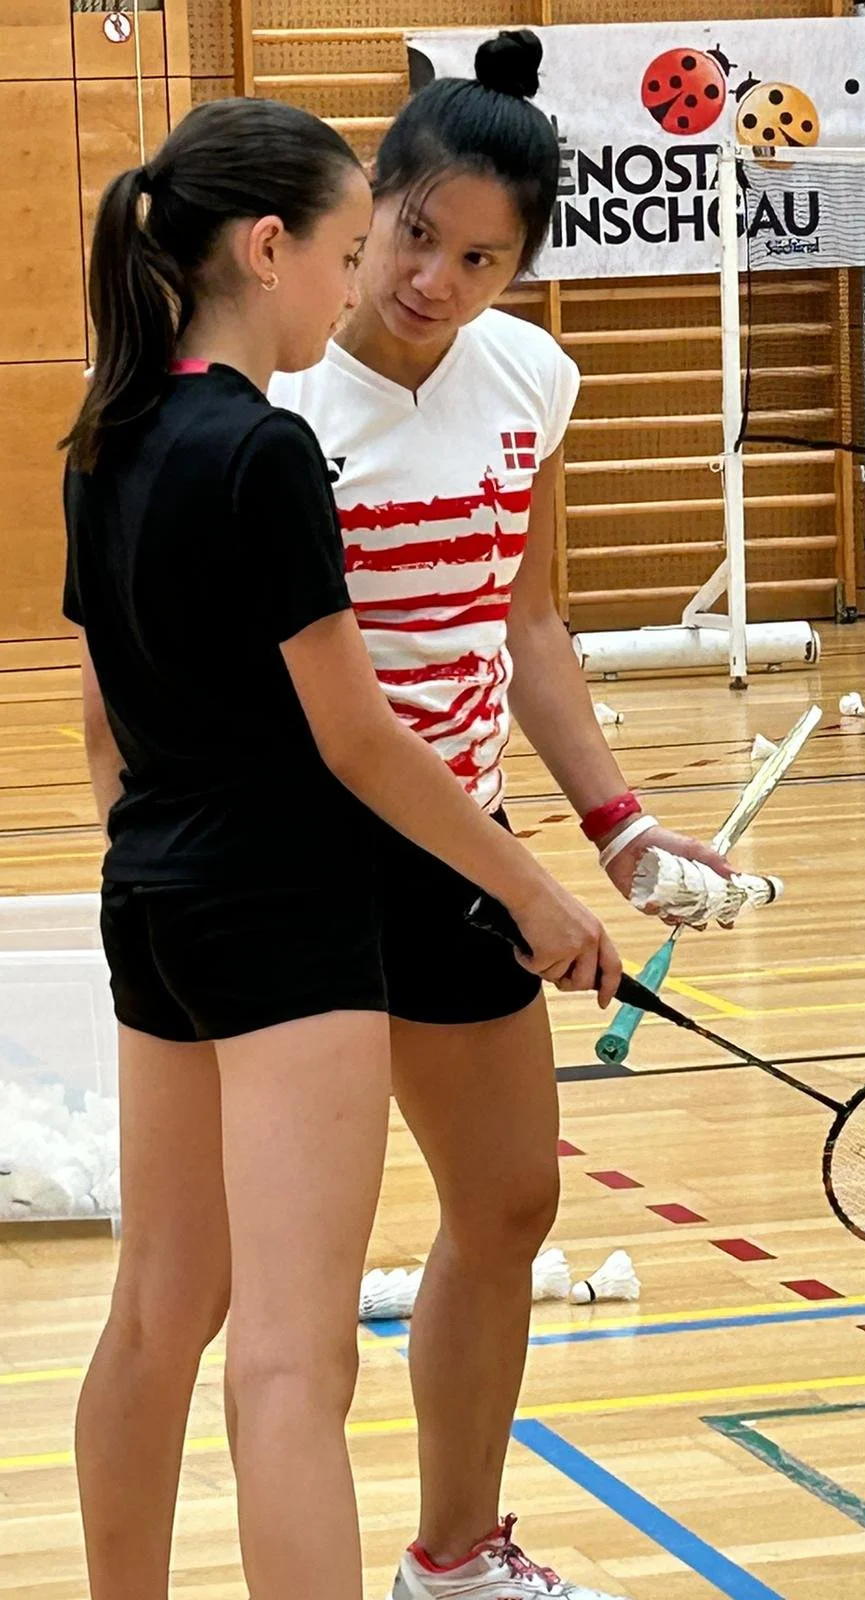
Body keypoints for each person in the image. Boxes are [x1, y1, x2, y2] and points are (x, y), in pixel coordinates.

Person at [62, 97, 618, 1600]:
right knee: (292, 1368)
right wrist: (536, 890)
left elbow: (107, 725)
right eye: (360, 241)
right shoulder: (267, 452)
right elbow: (358, 738)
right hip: (291, 912)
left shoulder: (104, 434)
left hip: (158, 905)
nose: (382, 268)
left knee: (156, 1312)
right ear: (275, 248)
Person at [268, 30, 732, 1600]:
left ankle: (455, 1560)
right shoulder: (279, 411)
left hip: (466, 845)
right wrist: (533, 883)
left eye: (482, 257)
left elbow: (523, 626)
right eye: (414, 238)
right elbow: (319, 717)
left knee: (513, 1199)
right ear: (367, 208)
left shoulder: (532, 377)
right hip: (310, 870)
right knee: (284, 1277)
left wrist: (616, 825)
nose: (435, 283)